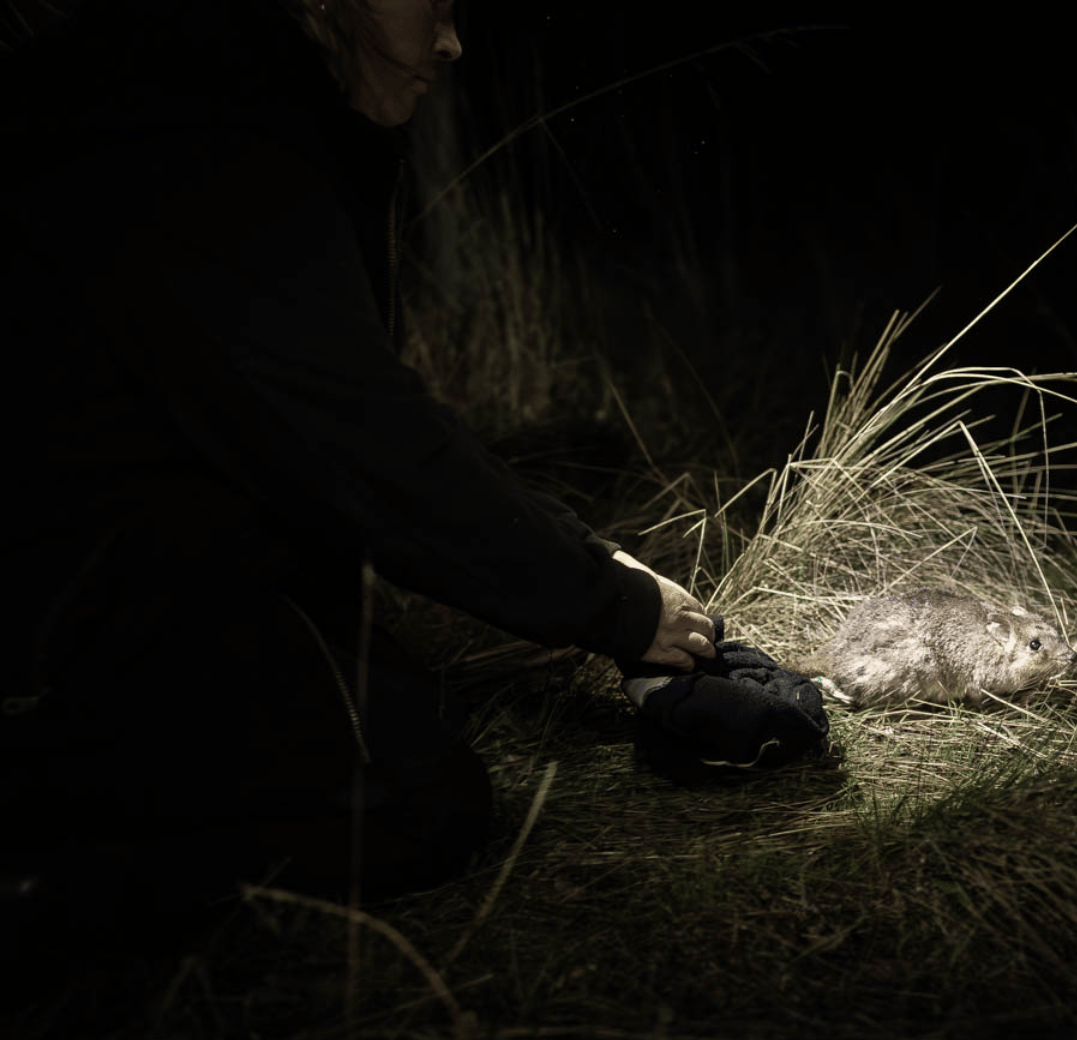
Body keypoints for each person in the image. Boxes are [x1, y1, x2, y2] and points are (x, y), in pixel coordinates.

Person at [0, 0, 718, 938]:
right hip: (50, 590)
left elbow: (320, 417)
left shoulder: (229, 93)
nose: (454, 44)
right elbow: (357, 441)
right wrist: (611, 601)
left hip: (120, 548)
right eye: (435, 8)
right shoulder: (194, 138)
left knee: (382, 703)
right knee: (406, 796)